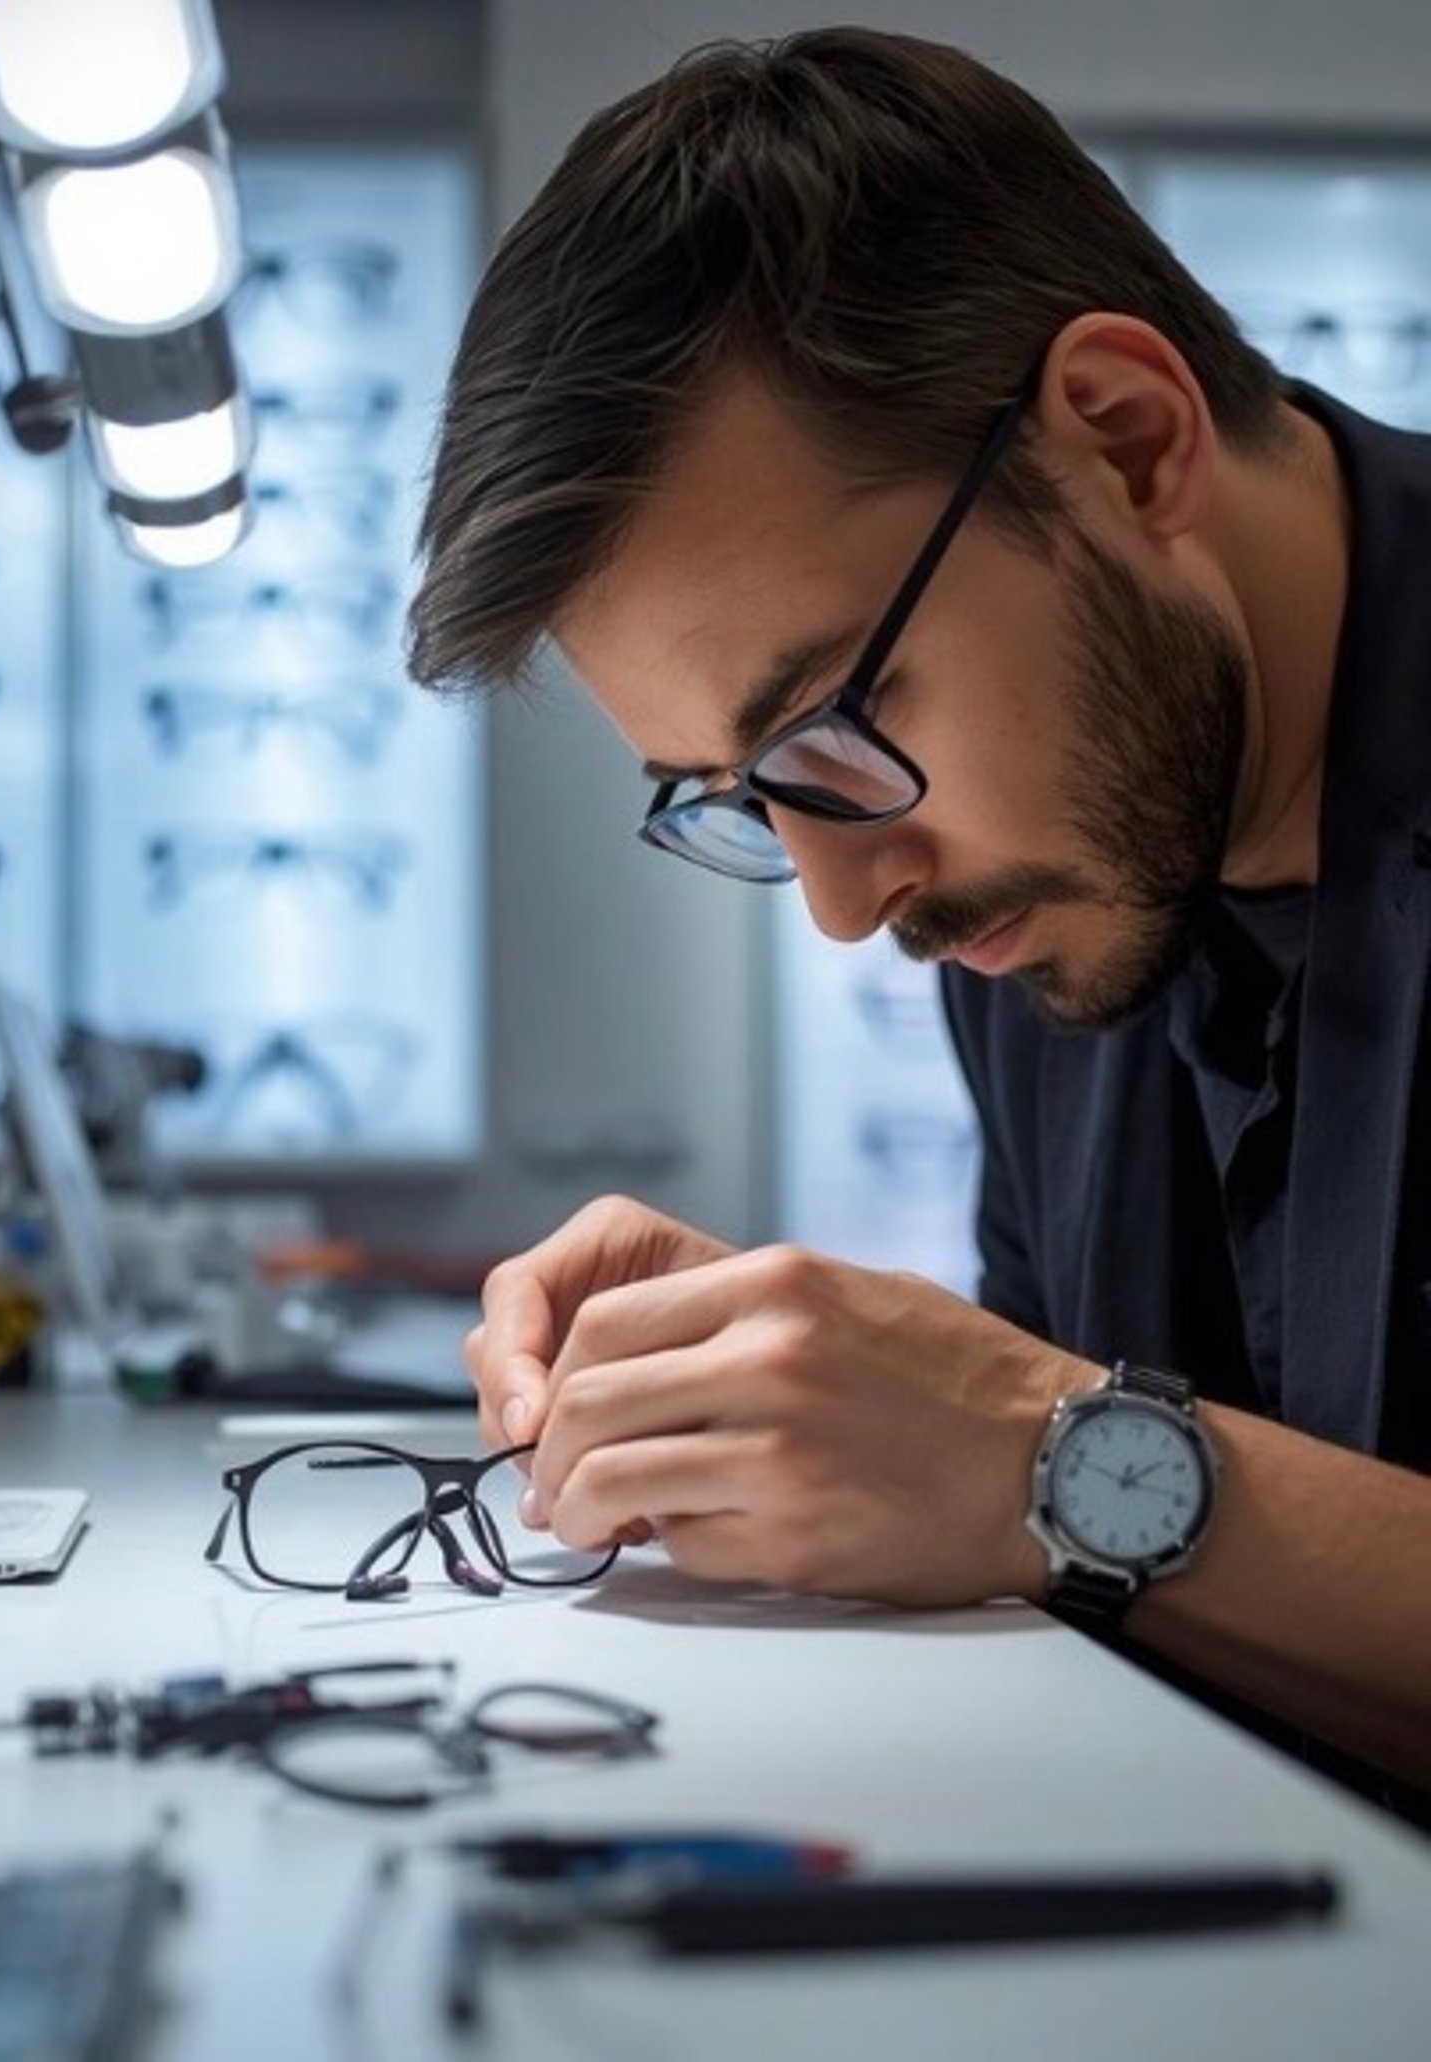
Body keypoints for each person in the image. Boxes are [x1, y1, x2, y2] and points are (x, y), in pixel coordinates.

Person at [404, 27, 1431, 1819]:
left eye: (833, 739)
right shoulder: (1050, 877)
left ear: (1124, 437)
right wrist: (823, 1417)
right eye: (735, 793)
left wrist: (1049, 1453)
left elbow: (1084, 1495)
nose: (840, 898)